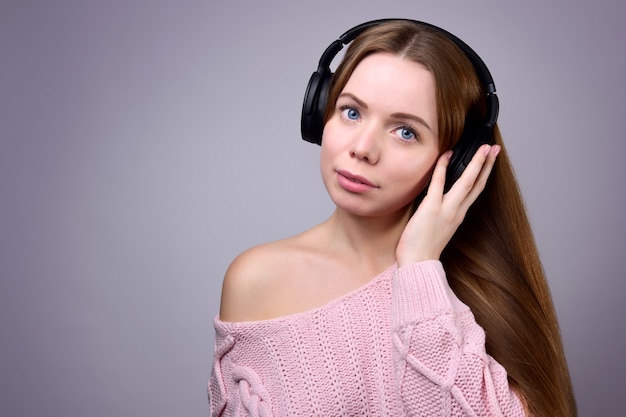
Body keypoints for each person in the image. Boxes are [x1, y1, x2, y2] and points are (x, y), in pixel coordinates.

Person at [209, 19, 577, 416]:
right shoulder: (255, 279)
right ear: (321, 114)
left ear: (456, 162)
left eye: (405, 132)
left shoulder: (479, 296)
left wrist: (419, 269)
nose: (363, 148)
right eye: (351, 112)